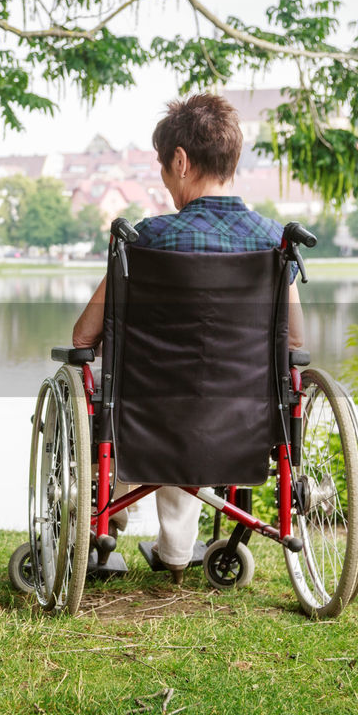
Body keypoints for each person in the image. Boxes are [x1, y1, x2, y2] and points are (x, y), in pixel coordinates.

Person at [70, 93, 305, 583]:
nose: (163, 176)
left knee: (107, 388)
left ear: (180, 161)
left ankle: (106, 522)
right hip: (244, 421)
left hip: (146, 420)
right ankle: (177, 548)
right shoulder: (272, 242)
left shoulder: (145, 241)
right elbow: (294, 342)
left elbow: (84, 335)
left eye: (162, 165)